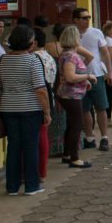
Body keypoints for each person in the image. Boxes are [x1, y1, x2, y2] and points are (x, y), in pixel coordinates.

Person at [0, 25, 51, 195]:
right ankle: (32, 186)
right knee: (30, 147)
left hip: (8, 109)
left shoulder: (2, 60)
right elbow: (40, 89)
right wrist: (46, 112)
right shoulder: (33, 60)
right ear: (30, 42)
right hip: (31, 109)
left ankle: (12, 186)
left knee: (13, 146)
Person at [73, 8, 112, 151]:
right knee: (84, 108)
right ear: (75, 20)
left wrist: (109, 72)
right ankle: (89, 137)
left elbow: (105, 52)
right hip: (77, 77)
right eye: (83, 18)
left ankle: (104, 137)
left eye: (88, 17)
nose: (87, 20)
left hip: (96, 75)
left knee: (101, 107)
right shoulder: (72, 34)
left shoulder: (96, 32)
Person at [56, 26, 96, 169]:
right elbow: (70, 77)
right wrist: (87, 76)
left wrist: (83, 82)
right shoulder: (71, 56)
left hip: (69, 94)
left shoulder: (66, 54)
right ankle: (75, 158)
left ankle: (67, 154)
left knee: (72, 124)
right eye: (78, 37)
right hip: (71, 95)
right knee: (77, 125)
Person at [32, 28, 57, 182]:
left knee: (39, 138)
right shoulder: (48, 56)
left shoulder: (34, 58)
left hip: (38, 102)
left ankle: (39, 172)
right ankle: (42, 171)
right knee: (43, 137)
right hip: (47, 99)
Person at [46, 23, 67, 157]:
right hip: (66, 84)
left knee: (53, 114)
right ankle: (63, 146)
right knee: (64, 115)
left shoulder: (48, 46)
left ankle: (52, 146)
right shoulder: (71, 49)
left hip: (51, 83)